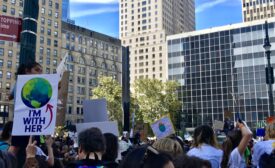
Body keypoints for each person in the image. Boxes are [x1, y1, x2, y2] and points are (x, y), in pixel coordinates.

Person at [9, 62, 43, 167]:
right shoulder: (21, 82)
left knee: (31, 149)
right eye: (37, 70)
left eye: (41, 71)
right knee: (15, 147)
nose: (40, 73)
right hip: (22, 120)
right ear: (27, 71)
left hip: (33, 120)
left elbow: (10, 96)